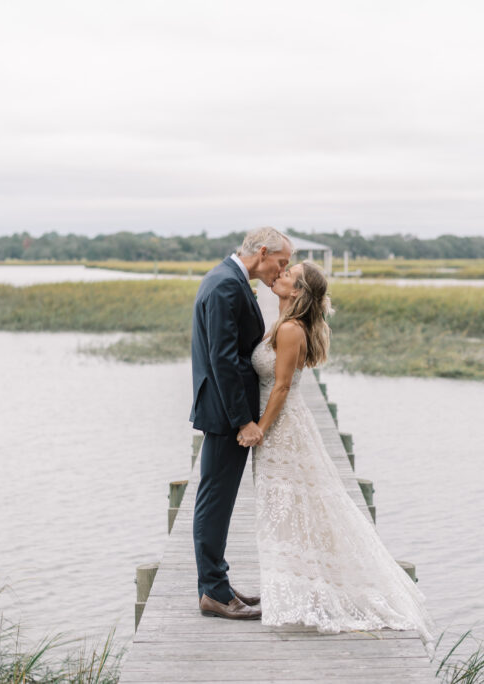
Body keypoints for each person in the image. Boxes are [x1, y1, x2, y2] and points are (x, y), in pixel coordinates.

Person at [246, 261, 437, 650]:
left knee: (288, 506)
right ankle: (293, 590)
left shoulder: (288, 329)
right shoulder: (285, 322)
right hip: (285, 424)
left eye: (287, 274)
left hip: (282, 428)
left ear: (296, 291)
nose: (279, 274)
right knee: (290, 507)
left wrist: (260, 429)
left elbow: (281, 387)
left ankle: (303, 592)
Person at [189, 226, 292, 620]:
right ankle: (214, 592)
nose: (280, 272)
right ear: (262, 252)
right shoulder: (226, 286)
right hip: (224, 415)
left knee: (218, 499)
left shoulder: (229, 279)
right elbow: (224, 360)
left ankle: (218, 583)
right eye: (280, 263)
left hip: (222, 411)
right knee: (215, 501)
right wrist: (244, 421)